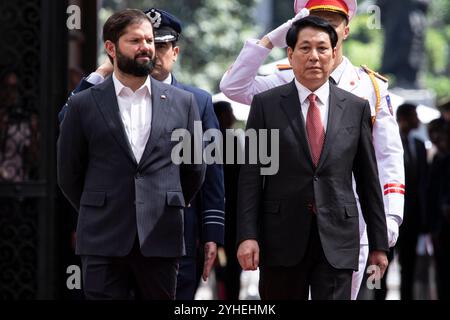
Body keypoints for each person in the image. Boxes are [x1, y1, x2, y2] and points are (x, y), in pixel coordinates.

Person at [220, 0, 404, 299]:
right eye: (315, 19)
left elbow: (386, 159)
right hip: (284, 228)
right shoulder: (282, 78)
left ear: (345, 29)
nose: (325, 25)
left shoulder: (370, 87)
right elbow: (233, 86)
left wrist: (390, 218)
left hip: (350, 225)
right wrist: (271, 40)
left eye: (333, 21)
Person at [59, 8, 225, 300]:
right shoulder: (85, 104)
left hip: (162, 238)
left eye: (150, 41)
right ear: (111, 48)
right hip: (103, 239)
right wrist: (101, 206)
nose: (147, 48)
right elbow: (69, 173)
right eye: (136, 41)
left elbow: (196, 170)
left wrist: (163, 201)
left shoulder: (185, 103)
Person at [396, 103, 429, 300]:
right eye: (415, 115)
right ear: (405, 118)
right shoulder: (389, 143)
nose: (418, 120)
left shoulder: (419, 146)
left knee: (409, 269)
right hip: (389, 219)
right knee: (377, 270)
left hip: (413, 221)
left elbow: (423, 185)